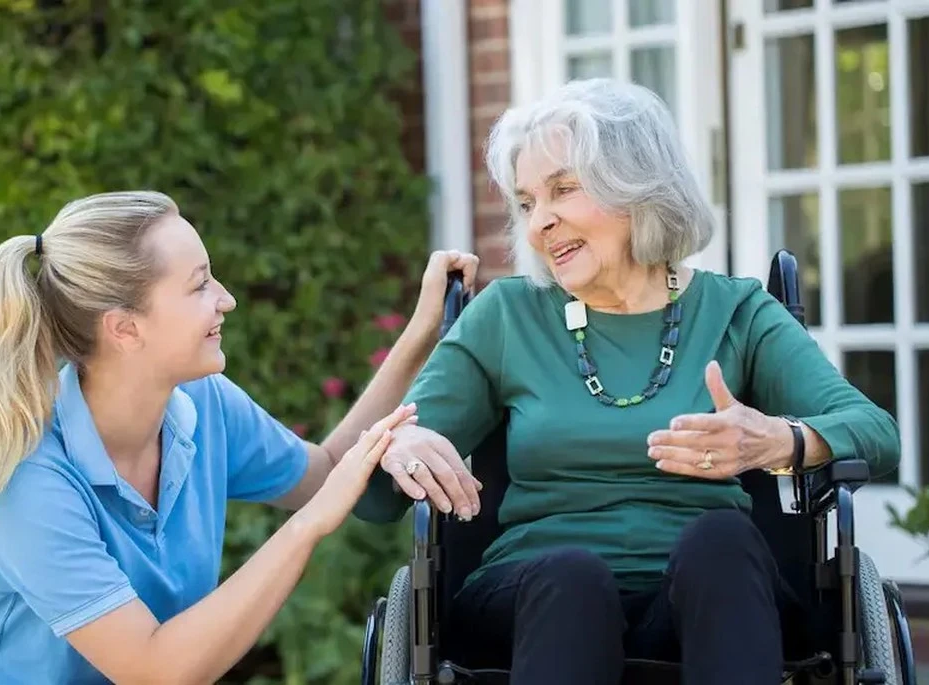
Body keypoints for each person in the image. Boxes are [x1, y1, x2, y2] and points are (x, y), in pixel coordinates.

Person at [353, 78, 900, 685]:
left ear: (638, 185)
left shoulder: (736, 311)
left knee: (722, 542)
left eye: (563, 189)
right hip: (537, 598)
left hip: (707, 600)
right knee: (573, 579)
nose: (540, 223)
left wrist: (780, 441)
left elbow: (875, 432)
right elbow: (375, 499)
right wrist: (396, 446)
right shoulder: (507, 317)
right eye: (528, 202)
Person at [0, 189, 482, 685]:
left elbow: (327, 470)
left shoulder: (200, 406)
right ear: (125, 328)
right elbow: (158, 670)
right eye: (200, 284)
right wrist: (309, 526)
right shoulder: (26, 480)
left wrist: (420, 334)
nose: (225, 299)